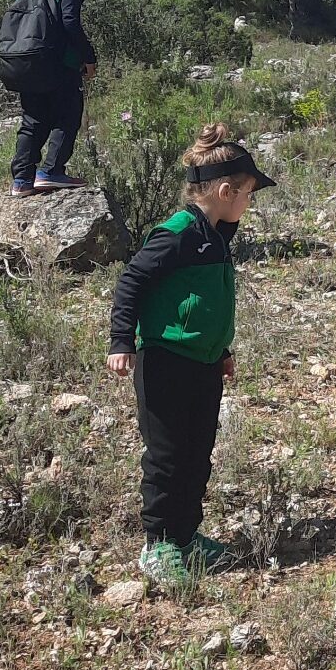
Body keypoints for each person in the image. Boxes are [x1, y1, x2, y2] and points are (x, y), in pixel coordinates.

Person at [106, 123, 276, 589]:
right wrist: (121, 341)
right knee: (168, 456)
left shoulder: (216, 233)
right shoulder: (179, 233)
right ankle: (158, 544)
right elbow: (132, 282)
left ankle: (184, 537)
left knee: (198, 453)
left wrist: (221, 350)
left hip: (204, 364)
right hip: (165, 363)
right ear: (225, 191)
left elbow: (204, 301)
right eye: (247, 193)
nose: (249, 202)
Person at [8, 0, 97, 196]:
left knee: (32, 120)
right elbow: (70, 23)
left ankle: (22, 180)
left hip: (26, 62)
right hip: (60, 65)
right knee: (67, 116)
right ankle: (51, 171)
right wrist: (88, 57)